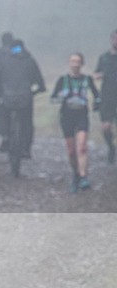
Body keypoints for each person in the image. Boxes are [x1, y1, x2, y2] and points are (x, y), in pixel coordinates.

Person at [51, 53, 101, 192]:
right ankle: (76, 174)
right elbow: (53, 97)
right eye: (73, 61)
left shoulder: (87, 79)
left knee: (82, 147)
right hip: (66, 116)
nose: (75, 64)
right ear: (69, 63)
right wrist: (62, 97)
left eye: (78, 62)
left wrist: (97, 103)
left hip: (81, 115)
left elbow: (97, 95)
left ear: (82, 64)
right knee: (71, 151)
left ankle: (84, 176)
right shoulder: (62, 80)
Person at [0, 39, 46, 159]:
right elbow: (39, 80)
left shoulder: (3, 62)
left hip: (7, 98)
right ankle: (25, 149)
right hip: (26, 98)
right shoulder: (30, 61)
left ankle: (6, 138)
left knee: (3, 117)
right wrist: (39, 89)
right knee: (27, 123)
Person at [94, 29, 117, 164]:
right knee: (106, 127)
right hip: (107, 96)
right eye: (115, 38)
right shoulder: (104, 57)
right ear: (111, 40)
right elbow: (96, 73)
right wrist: (98, 75)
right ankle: (111, 147)